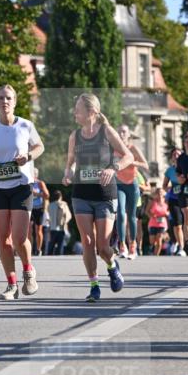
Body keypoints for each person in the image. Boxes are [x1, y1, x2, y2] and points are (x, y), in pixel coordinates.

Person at [0, 84, 44, 300]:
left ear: (14, 102)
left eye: (8, 98)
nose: (5, 102)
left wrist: (28, 157)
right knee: (3, 238)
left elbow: (39, 146)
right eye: (1, 98)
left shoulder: (25, 125)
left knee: (19, 237)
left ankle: (28, 271)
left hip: (21, 186)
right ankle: (12, 285)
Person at [62, 93, 133, 302]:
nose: (75, 112)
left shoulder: (106, 131)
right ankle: (94, 285)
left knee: (103, 246)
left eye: (78, 109)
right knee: (87, 241)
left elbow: (127, 155)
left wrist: (113, 168)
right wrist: (68, 172)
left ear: (91, 112)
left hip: (104, 194)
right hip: (81, 194)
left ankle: (112, 266)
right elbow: (71, 162)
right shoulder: (74, 135)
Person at [115, 124, 149, 259]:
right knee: (121, 213)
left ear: (129, 134)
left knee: (131, 216)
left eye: (124, 132)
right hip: (118, 184)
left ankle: (133, 245)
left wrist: (132, 162)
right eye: (119, 132)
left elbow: (145, 165)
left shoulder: (133, 148)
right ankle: (122, 245)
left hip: (132, 184)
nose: (122, 134)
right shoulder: (114, 149)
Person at [163, 147, 186, 255]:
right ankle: (181, 247)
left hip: (187, 198)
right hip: (174, 199)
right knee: (177, 224)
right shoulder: (169, 170)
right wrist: (171, 189)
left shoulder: (187, 167)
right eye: (174, 155)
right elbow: (164, 186)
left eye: (178, 154)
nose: (176, 156)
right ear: (172, 158)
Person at [30, 169, 50, 256]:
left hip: (39, 208)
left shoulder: (40, 183)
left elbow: (47, 195)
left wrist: (36, 194)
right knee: (29, 230)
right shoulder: (26, 183)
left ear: (36, 175)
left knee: (38, 230)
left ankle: (38, 249)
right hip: (29, 208)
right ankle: (29, 249)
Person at [48, 190, 72, 255]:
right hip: (61, 228)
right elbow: (69, 216)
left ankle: (48, 257)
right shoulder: (64, 204)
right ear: (60, 196)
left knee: (51, 245)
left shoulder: (50, 205)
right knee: (60, 245)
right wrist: (65, 222)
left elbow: (48, 217)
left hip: (52, 228)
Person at [147, 187, 169, 256]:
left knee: (159, 239)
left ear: (163, 194)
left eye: (161, 193)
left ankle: (156, 255)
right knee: (152, 241)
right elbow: (147, 211)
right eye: (158, 193)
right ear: (156, 194)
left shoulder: (166, 201)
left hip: (162, 224)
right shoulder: (152, 202)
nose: (160, 194)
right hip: (153, 223)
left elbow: (169, 211)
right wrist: (152, 216)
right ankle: (153, 249)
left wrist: (167, 214)